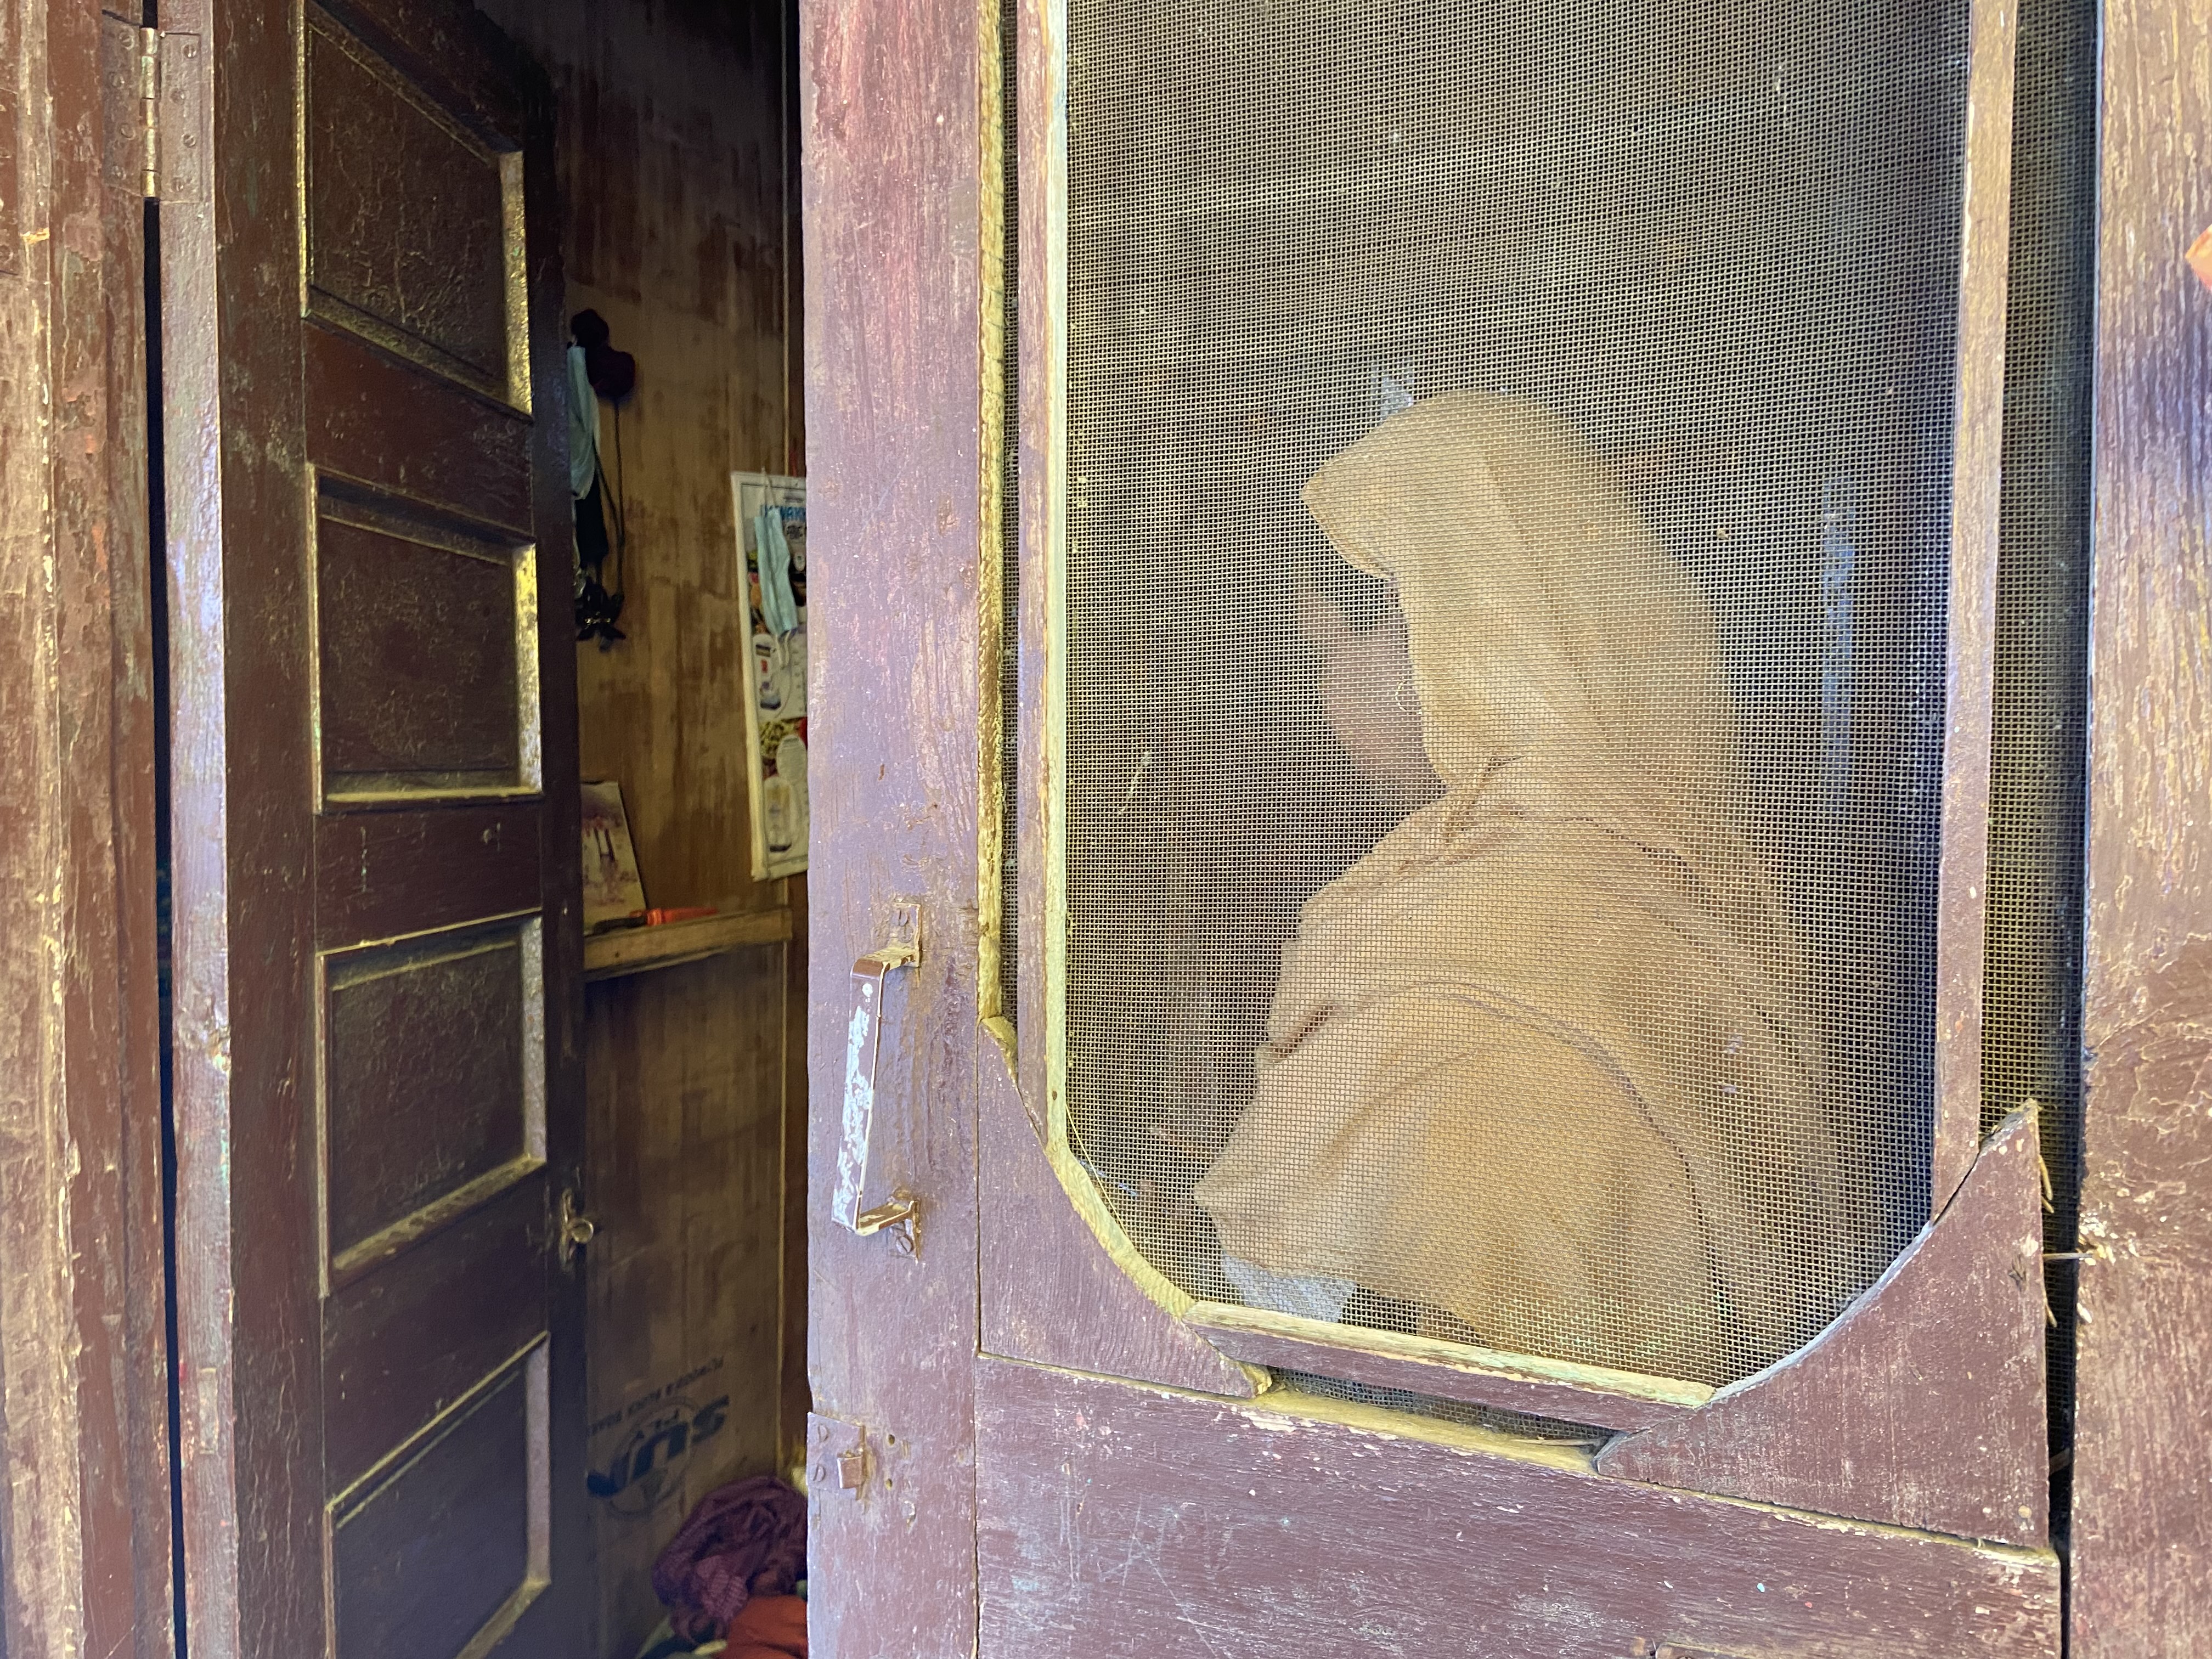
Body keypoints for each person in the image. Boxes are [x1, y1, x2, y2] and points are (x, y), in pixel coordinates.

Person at [1194, 391, 1870, 1384]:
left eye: (1334, 645)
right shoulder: (1680, 867)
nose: (1324, 688)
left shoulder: (1464, 966)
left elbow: (1331, 1376)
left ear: (1462, 640)